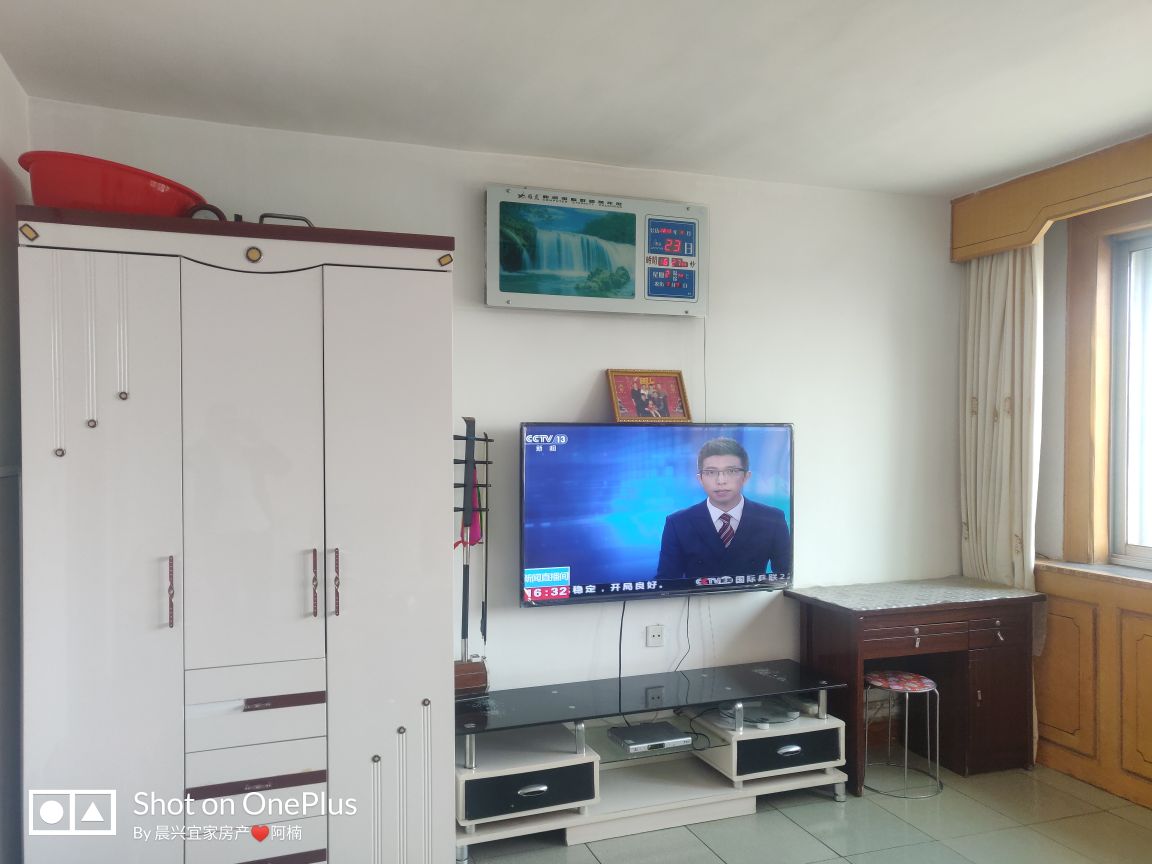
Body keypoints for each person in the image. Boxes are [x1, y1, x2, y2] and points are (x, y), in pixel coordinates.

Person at [656, 437, 791, 580]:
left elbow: (786, 577)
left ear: (746, 477)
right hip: (700, 595)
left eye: (731, 471)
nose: (721, 481)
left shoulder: (772, 519)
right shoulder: (678, 523)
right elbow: (666, 582)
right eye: (711, 472)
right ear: (700, 479)